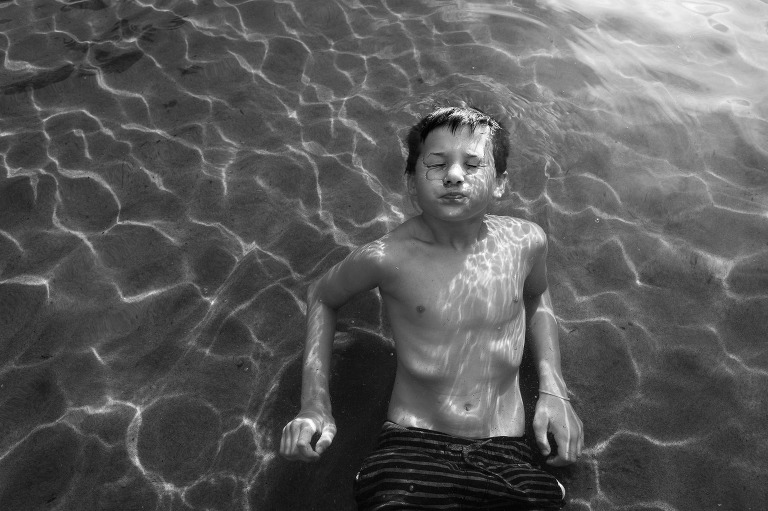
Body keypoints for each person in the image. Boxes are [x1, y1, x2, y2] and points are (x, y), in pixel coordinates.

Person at [280, 106, 583, 510]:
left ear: (500, 184)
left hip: (505, 444)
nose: (454, 175)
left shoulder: (526, 242)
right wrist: (315, 404)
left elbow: (537, 297)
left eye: (473, 165)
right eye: (437, 163)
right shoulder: (388, 257)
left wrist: (554, 389)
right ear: (410, 183)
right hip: (412, 441)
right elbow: (322, 295)